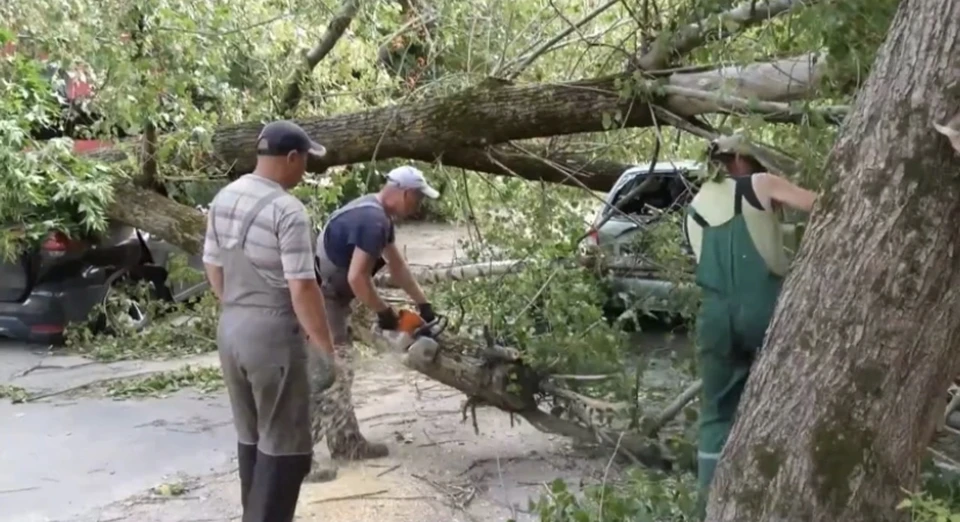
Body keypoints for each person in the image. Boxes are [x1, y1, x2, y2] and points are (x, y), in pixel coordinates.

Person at [203, 120, 337, 522]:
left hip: (231, 331)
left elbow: (213, 267)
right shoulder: (287, 210)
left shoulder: (224, 197)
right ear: (292, 158)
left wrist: (240, 309)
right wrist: (325, 348)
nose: (306, 171)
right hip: (272, 338)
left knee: (252, 438)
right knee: (284, 448)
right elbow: (303, 288)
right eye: (306, 162)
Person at [684, 136, 816, 513]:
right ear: (740, 160)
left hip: (714, 320)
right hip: (763, 310)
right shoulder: (759, 185)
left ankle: (709, 507)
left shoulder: (693, 209)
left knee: (717, 414)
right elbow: (823, 205)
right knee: (792, 397)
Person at [311, 165, 440, 463]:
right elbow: (358, 278)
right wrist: (385, 313)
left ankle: (345, 442)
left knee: (339, 371)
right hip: (323, 296)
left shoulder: (375, 211)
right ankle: (303, 456)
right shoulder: (373, 220)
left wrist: (424, 305)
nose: (418, 206)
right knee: (332, 373)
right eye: (417, 199)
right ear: (406, 193)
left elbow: (397, 266)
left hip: (332, 293)